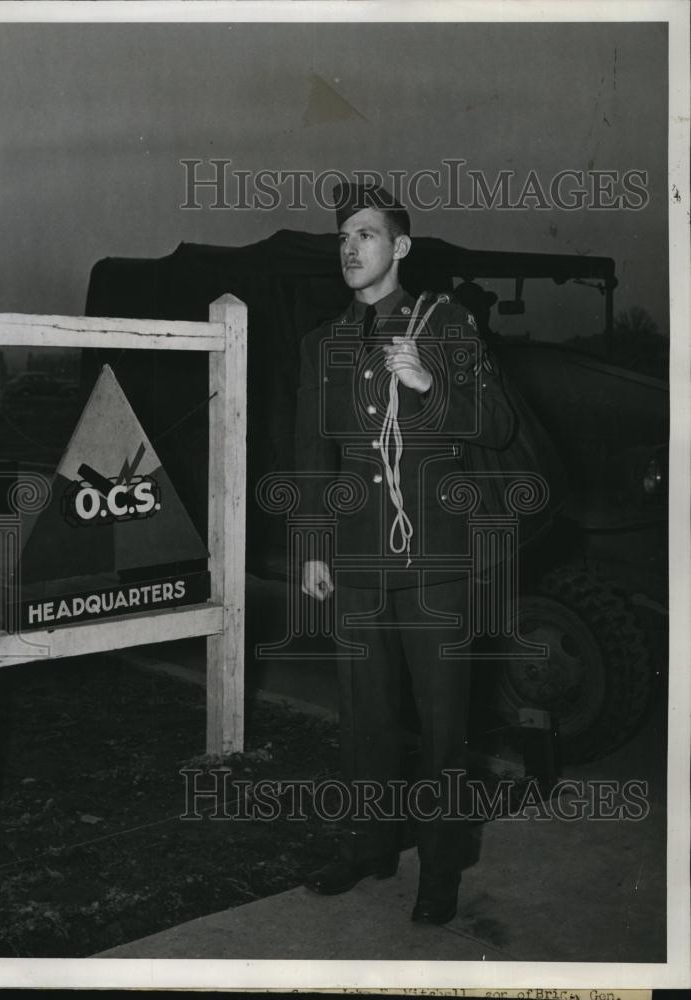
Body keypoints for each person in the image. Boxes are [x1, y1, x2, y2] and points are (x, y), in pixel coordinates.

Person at [295, 181, 516, 924]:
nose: (349, 248)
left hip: (435, 563)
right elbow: (311, 455)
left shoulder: (445, 323)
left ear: (400, 247)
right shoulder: (322, 342)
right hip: (355, 560)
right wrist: (314, 548)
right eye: (342, 237)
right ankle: (367, 845)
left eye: (365, 233)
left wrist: (426, 386)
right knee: (364, 717)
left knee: (443, 721)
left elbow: (498, 423)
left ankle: (442, 868)